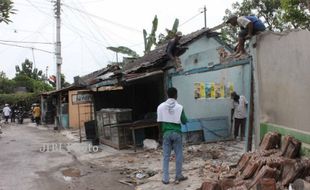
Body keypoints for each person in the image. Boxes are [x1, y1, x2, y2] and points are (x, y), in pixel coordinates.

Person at [157, 87, 188, 185]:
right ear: (176, 95)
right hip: (177, 133)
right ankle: (178, 176)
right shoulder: (180, 107)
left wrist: (160, 134)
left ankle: (165, 179)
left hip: (166, 133)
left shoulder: (160, 106)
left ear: (167, 94)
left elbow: (159, 122)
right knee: (178, 155)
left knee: (166, 156)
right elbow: (184, 121)